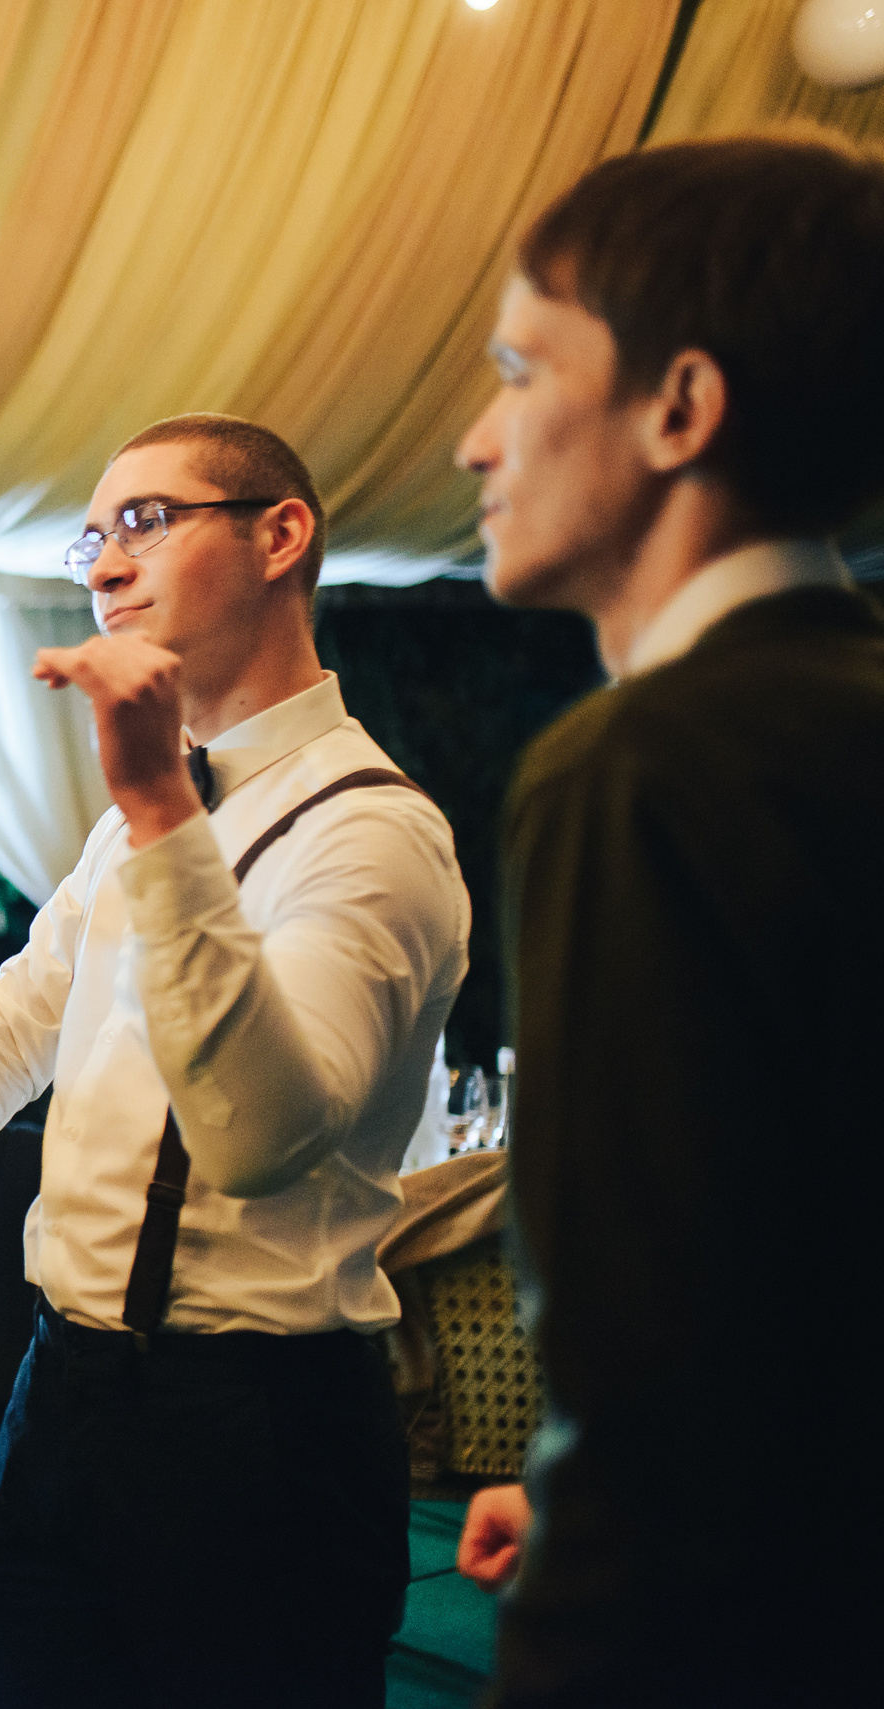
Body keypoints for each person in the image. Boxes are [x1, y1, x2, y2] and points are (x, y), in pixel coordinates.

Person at [0, 414, 471, 1707]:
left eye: (146, 520)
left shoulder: (375, 836)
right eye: (93, 536)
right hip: (66, 1393)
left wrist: (156, 811)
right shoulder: (145, 819)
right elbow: (12, 1019)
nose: (103, 565)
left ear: (280, 535)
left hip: (264, 1425)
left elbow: (263, 1135)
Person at [450, 131, 884, 1704]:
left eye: (516, 370)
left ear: (681, 408)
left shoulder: (640, 766)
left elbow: (658, 1371)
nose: (471, 440)